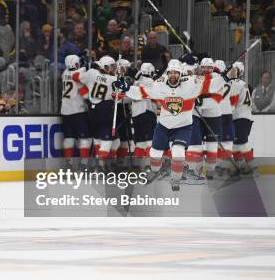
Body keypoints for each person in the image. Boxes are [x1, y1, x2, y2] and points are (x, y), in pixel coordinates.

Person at [115, 59, 218, 190]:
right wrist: (126, 88)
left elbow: (212, 85)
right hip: (163, 126)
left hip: (183, 126)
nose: (173, 75)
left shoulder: (191, 83)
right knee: (154, 153)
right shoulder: (159, 85)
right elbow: (142, 92)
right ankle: (154, 171)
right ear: (167, 73)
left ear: (181, 75)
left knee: (178, 153)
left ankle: (175, 179)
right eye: (171, 72)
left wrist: (224, 77)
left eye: (176, 73)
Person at [68, 56, 118, 170]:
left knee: (97, 137)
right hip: (105, 108)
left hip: (92, 109)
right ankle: (101, 164)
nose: (112, 69)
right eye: (110, 66)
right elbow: (120, 96)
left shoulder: (91, 73)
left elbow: (74, 77)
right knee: (107, 139)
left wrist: (85, 66)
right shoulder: (113, 80)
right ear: (104, 66)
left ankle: (97, 163)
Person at [60, 55, 90, 170]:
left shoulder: (64, 73)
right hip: (78, 110)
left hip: (65, 111)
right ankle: (83, 164)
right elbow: (85, 94)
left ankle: (69, 163)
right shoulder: (77, 77)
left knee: (69, 138)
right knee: (84, 139)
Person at [230, 62, 256, 174]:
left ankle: (252, 165)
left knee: (241, 143)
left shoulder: (234, 84)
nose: (231, 71)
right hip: (246, 117)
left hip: (240, 117)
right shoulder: (243, 83)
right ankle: (240, 166)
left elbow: (232, 103)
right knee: (235, 144)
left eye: (233, 69)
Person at [131, 63, 157, 170]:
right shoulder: (150, 81)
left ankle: (136, 166)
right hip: (146, 112)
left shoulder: (136, 82)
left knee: (140, 143)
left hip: (136, 114)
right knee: (150, 141)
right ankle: (148, 166)